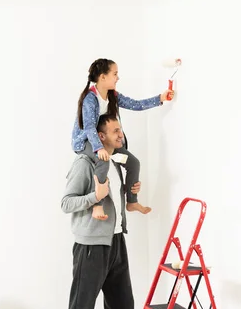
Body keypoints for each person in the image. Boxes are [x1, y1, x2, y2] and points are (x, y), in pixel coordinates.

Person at [71, 57, 174, 220]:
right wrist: (99, 148)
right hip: (86, 142)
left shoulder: (112, 95)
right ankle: (97, 205)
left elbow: (136, 104)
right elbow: (90, 127)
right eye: (115, 74)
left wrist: (160, 98)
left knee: (133, 163)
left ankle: (132, 202)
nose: (118, 78)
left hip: (104, 140)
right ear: (102, 77)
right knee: (102, 161)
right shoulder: (89, 99)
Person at [62, 113, 140, 309]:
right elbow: (66, 203)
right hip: (91, 247)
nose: (120, 135)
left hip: (116, 242)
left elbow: (111, 196)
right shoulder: (84, 163)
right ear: (100, 136)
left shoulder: (113, 162)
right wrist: (94, 197)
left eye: (120, 130)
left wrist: (128, 190)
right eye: (115, 131)